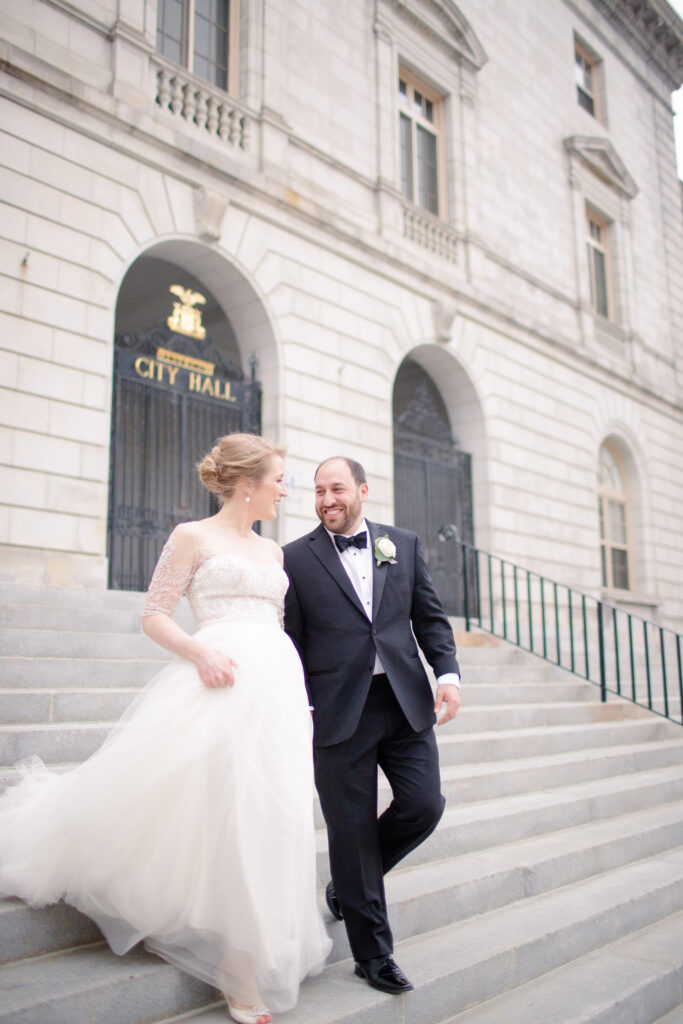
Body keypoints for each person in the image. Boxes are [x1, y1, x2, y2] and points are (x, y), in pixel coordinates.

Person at [0, 433, 331, 1024]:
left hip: (275, 690)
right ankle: (238, 967)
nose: (287, 490)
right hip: (215, 682)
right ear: (247, 483)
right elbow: (154, 613)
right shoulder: (191, 537)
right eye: (279, 479)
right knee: (228, 813)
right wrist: (199, 655)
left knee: (270, 813)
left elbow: (276, 626)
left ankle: (257, 938)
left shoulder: (274, 552)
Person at [282, 456, 461, 996]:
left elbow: (427, 616)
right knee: (351, 829)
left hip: (403, 700)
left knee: (424, 805)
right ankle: (373, 954)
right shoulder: (294, 558)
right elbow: (290, 639)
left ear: (363, 490)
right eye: (318, 491)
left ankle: (349, 883)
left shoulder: (401, 544)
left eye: (336, 488)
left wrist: (447, 674)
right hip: (337, 711)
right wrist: (298, 702)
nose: (326, 499)